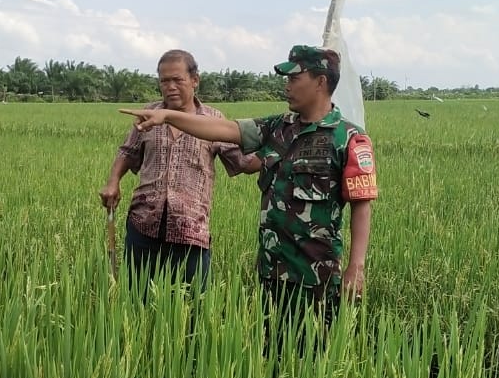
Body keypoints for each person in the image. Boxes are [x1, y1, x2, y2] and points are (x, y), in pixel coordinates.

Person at [120, 44, 376, 345]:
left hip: (316, 274)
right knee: (271, 351)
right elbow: (221, 128)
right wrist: (167, 116)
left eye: (294, 78)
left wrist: (356, 267)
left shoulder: (349, 138)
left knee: (313, 354)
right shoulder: (276, 129)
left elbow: (362, 204)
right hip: (271, 268)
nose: (287, 85)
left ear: (320, 81)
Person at [99, 49, 259, 291]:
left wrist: (278, 152)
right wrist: (113, 182)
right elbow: (127, 151)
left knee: (192, 305)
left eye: (177, 80)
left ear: (195, 80)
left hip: (190, 228)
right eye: (164, 81)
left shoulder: (213, 119)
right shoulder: (148, 114)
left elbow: (242, 161)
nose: (170, 86)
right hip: (144, 222)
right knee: (136, 299)